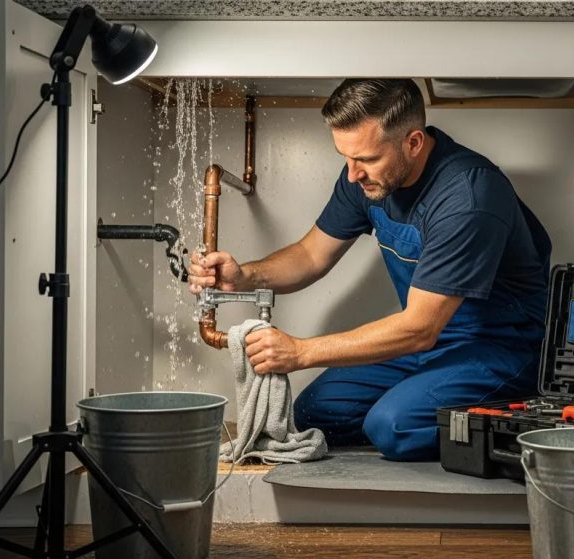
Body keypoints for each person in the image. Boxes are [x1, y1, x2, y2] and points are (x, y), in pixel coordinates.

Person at [188, 79, 552, 461]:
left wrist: (301, 352)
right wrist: (243, 276)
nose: (352, 174)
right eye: (345, 157)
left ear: (412, 142)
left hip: (499, 347)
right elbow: (311, 255)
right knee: (315, 413)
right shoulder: (367, 178)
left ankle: (528, 413)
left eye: (365, 159)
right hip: (427, 341)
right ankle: (430, 398)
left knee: (393, 427)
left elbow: (419, 328)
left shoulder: (468, 195)